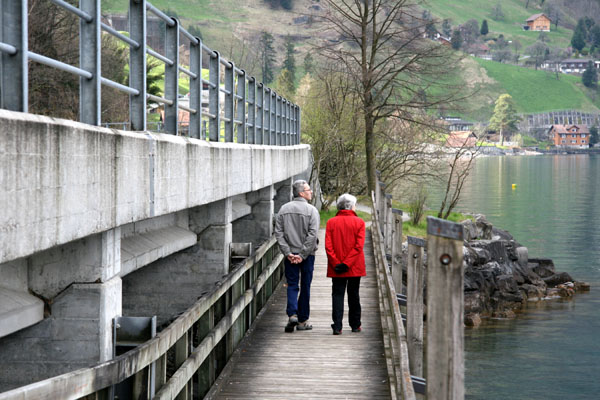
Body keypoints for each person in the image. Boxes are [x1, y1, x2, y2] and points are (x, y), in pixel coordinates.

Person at [274, 179, 320, 332]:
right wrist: (302, 254)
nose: (311, 192)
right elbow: (313, 234)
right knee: (306, 286)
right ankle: (302, 321)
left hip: (290, 256)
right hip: (307, 255)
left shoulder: (283, 209)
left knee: (292, 284)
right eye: (308, 190)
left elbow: (278, 233)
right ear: (301, 193)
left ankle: (292, 314)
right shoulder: (312, 210)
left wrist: (288, 253)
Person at [325, 193, 366, 335]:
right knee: (354, 294)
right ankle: (355, 324)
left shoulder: (331, 222)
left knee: (337, 294)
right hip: (354, 266)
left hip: (336, 267)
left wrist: (337, 263)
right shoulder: (360, 222)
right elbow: (358, 246)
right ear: (351, 206)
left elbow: (328, 246)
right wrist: (347, 264)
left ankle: (337, 326)